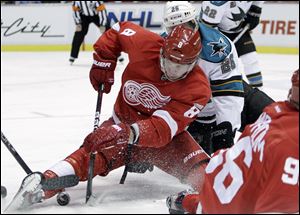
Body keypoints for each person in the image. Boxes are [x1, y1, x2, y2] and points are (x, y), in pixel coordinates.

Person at [10, 22, 213, 209]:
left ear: (195, 62)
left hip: (166, 143)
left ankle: (197, 202)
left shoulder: (198, 88)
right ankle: (43, 183)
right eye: (169, 62)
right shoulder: (145, 43)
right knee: (89, 154)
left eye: (182, 66)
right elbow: (117, 30)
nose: (173, 71)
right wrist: (104, 60)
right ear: (162, 50)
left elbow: (162, 128)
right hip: (120, 125)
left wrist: (126, 132)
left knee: (208, 177)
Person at [166, 69, 299, 214]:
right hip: (227, 195)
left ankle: (184, 201)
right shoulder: (285, 139)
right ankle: (185, 201)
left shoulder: (273, 113)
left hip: (224, 185)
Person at [163, 1, 245, 154]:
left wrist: (226, 128)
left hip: (226, 94)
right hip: (190, 110)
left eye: (185, 25)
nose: (180, 32)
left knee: (272, 123)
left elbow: (229, 93)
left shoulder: (220, 48)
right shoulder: (160, 45)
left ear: (195, 21)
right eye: (173, 28)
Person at [200, 1, 265, 89]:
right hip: (215, 31)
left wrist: (255, 10)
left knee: (251, 59)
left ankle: (259, 92)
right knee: (218, 66)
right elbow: (207, 29)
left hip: (238, 28)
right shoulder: (217, 3)